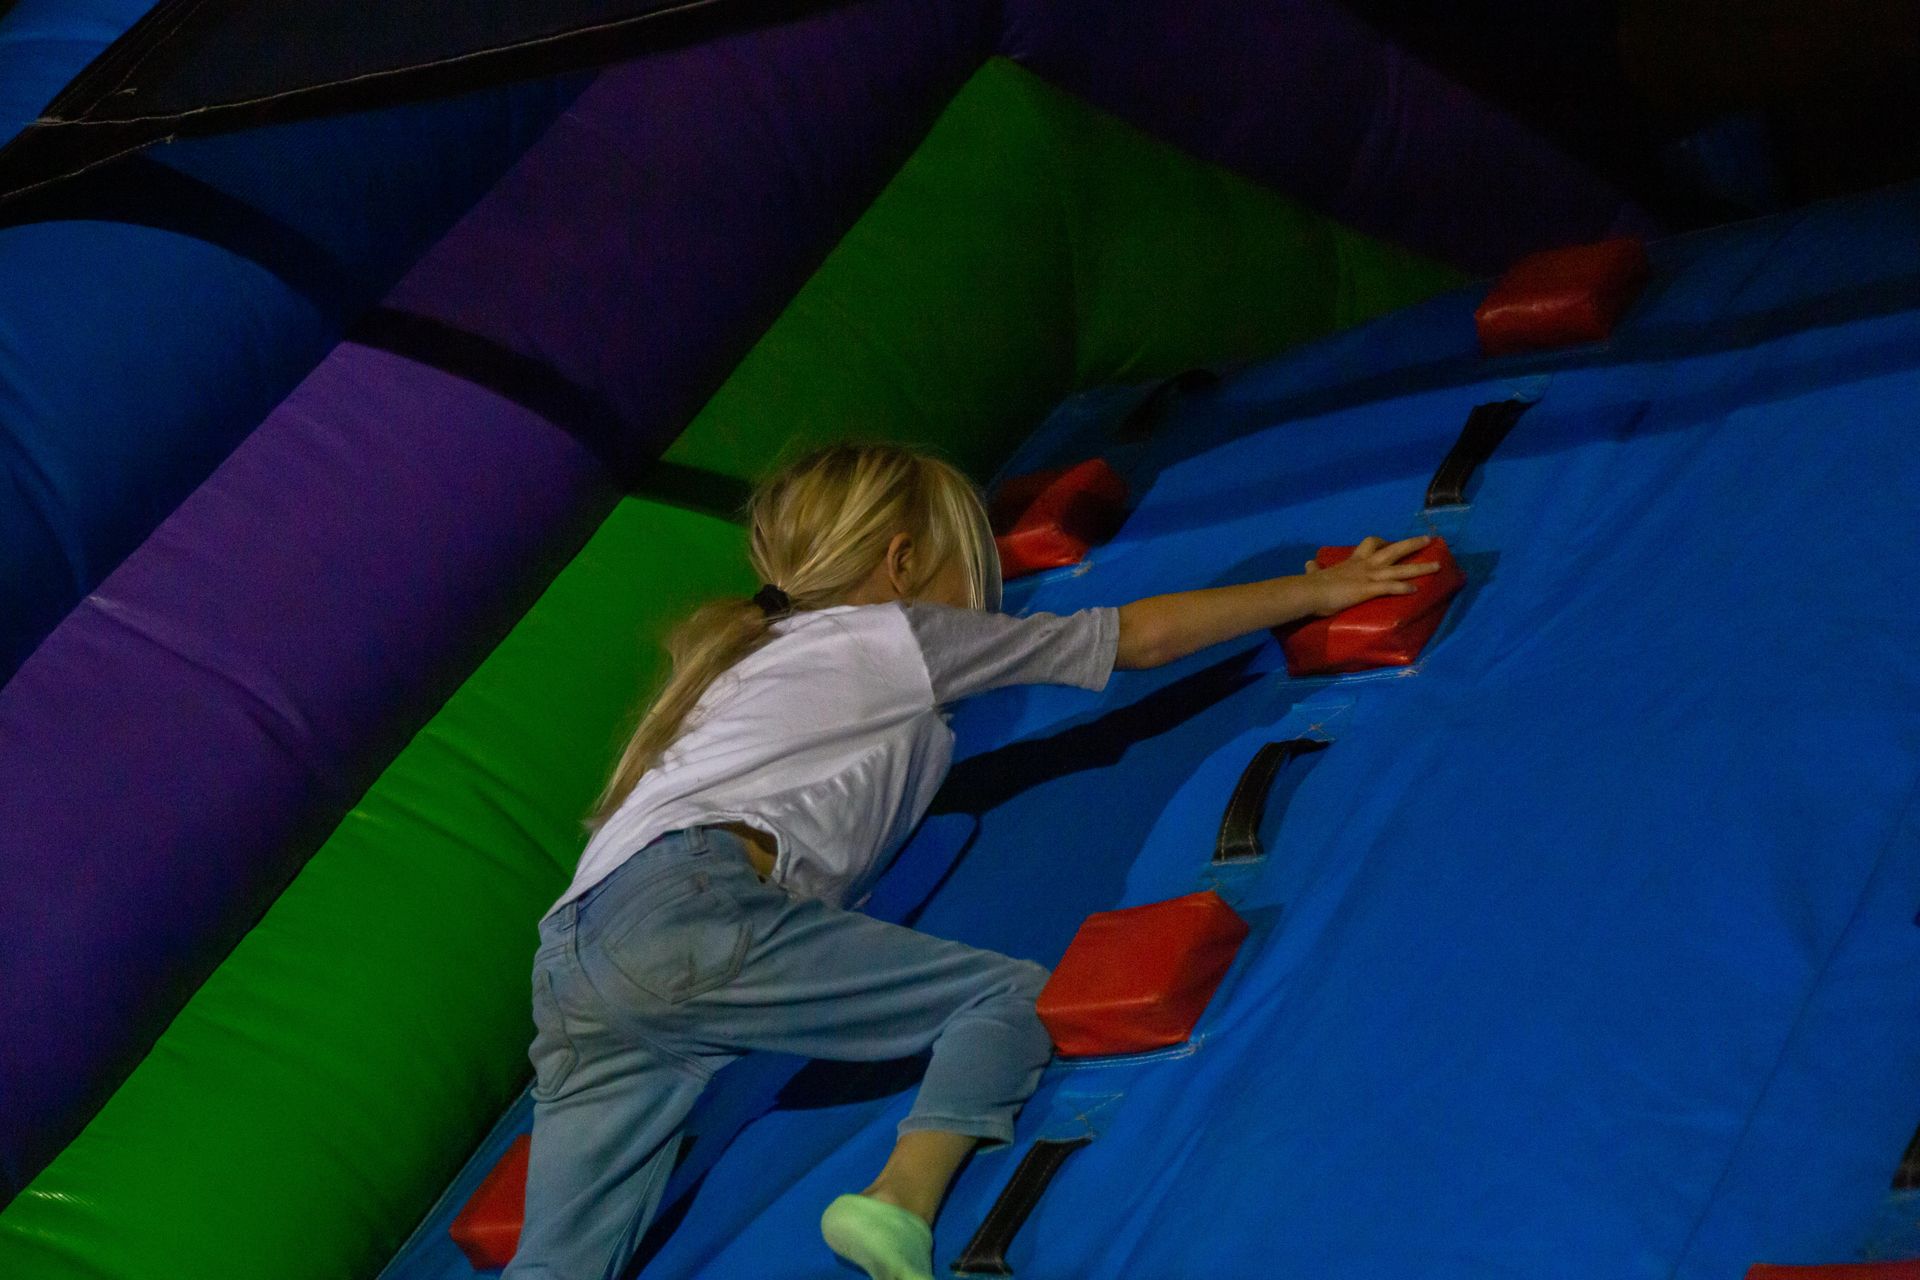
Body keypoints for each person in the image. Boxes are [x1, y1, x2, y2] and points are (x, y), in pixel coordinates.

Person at [504, 443, 1437, 1280]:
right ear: (904, 562)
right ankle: (898, 1201)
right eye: (969, 566)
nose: (981, 596)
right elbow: (1130, 639)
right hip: (688, 910)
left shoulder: (741, 663)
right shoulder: (892, 633)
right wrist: (1314, 592)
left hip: (570, 959)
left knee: (559, 1263)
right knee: (1004, 1000)